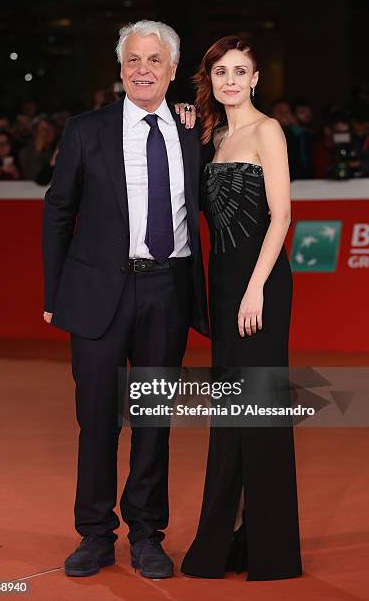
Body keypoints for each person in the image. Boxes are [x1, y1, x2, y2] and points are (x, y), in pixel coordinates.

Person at [42, 19, 209, 580]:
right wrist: (54, 292)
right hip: (96, 295)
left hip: (168, 289)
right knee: (97, 422)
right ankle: (94, 534)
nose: (143, 69)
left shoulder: (193, 131)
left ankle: (146, 533)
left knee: (153, 418)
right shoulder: (86, 130)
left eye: (154, 60)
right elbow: (59, 212)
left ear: (171, 70)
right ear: (120, 68)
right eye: (133, 60)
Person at [181, 36, 302, 581]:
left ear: (256, 79)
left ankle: (273, 551)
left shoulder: (266, 131)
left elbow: (280, 217)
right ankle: (221, 545)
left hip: (261, 287)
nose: (230, 80)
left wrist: (256, 289)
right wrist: (186, 123)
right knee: (229, 417)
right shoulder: (215, 136)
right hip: (223, 286)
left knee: (262, 416)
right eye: (221, 72)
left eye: (240, 71)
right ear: (210, 79)